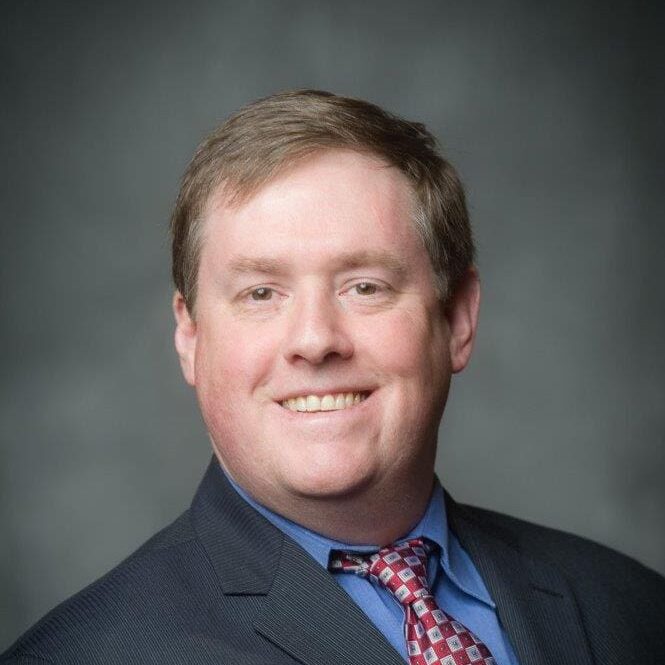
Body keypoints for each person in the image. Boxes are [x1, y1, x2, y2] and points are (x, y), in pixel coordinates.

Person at [2, 90, 663, 665]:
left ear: (457, 319)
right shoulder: (88, 652)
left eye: (365, 285)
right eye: (261, 293)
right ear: (190, 335)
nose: (315, 339)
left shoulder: (630, 607)